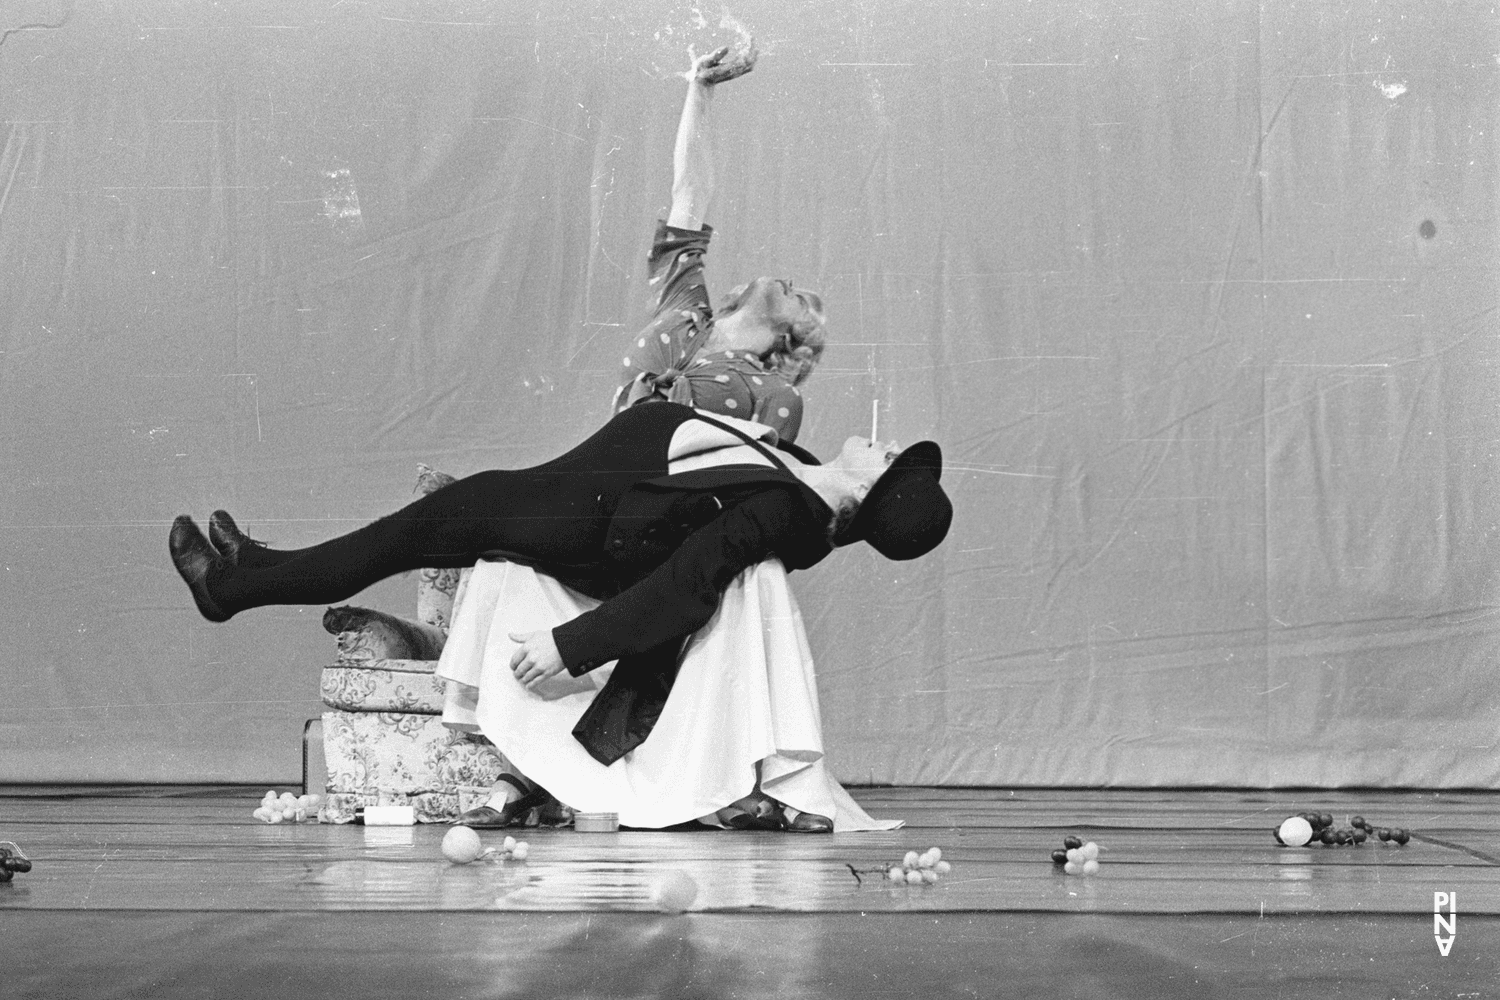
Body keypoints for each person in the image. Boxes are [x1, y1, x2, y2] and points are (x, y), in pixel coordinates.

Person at [169, 402, 952, 771]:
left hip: (585, 519)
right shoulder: (806, 475)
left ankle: (232, 589)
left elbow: (689, 583)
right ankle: (258, 568)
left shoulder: (792, 512)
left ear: (872, 486)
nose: (884, 440)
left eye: (889, 454)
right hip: (580, 490)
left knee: (411, 533)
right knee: (410, 530)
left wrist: (573, 645)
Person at [614, 41, 826, 445]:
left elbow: (753, 486)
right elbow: (690, 191)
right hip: (598, 476)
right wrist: (700, 90)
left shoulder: (776, 394)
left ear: (791, 336)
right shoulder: (684, 304)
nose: (789, 280)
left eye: (799, 298)